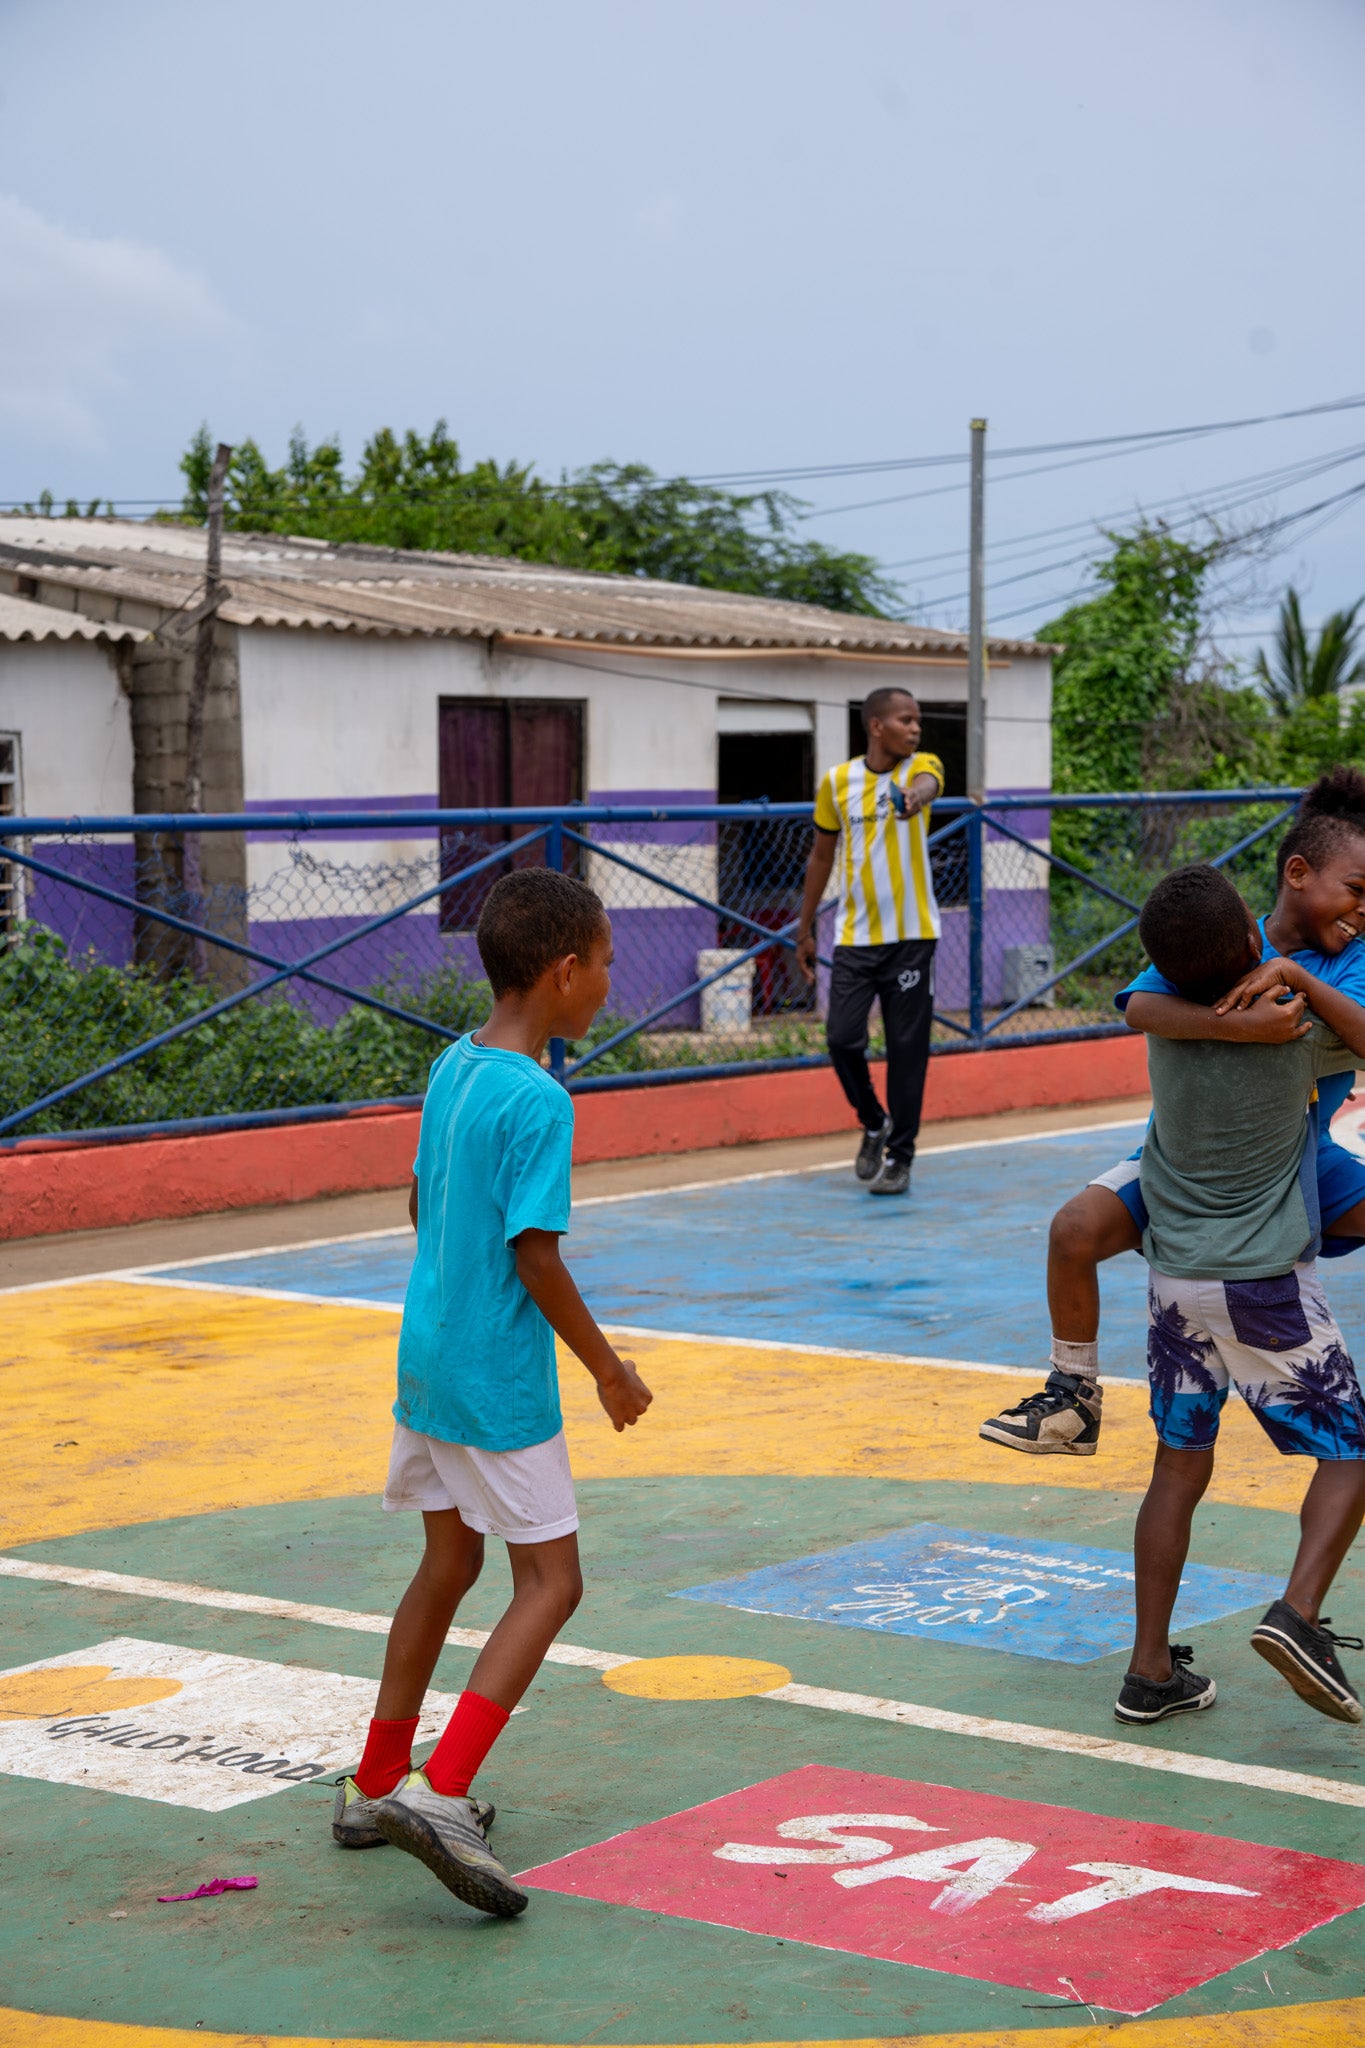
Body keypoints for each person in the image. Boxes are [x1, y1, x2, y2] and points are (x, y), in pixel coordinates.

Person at [332, 867, 653, 1917]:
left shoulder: (452, 1065)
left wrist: (450, 1296)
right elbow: (538, 1256)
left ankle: (376, 1780)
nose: (608, 979)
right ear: (565, 973)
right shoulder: (542, 1098)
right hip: (497, 1378)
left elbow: (422, 1197)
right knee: (551, 1582)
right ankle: (445, 1789)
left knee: (447, 1558)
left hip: (424, 1358)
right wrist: (608, 1367)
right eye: (603, 962)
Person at [980, 766, 1365, 1456]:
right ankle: (1072, 1397)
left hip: (1301, 1158)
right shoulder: (1220, 938)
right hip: (1194, 1159)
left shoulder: (1348, 962)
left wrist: (1299, 980)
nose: (1362, 909)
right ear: (1298, 872)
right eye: (1357, 891)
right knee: (1073, 1229)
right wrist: (1240, 1026)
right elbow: (1139, 1007)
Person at [1108, 863, 1365, 1728]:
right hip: (1261, 1282)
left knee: (1177, 1466)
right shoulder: (1290, 1028)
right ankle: (1295, 1615)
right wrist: (1295, 979)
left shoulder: (1162, 1026)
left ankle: (1148, 1671)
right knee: (1351, 1453)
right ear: (1255, 945)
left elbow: (1143, 1002)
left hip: (1172, 1284)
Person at [796, 687, 945, 1196]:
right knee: (841, 1038)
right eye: (906, 720)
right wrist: (805, 926)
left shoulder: (919, 767)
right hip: (855, 938)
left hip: (912, 937)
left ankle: (900, 1156)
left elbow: (929, 784)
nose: (915, 728)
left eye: (918, 720)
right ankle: (873, 1120)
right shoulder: (837, 782)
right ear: (876, 725)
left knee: (907, 1049)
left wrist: (914, 799)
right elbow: (821, 857)